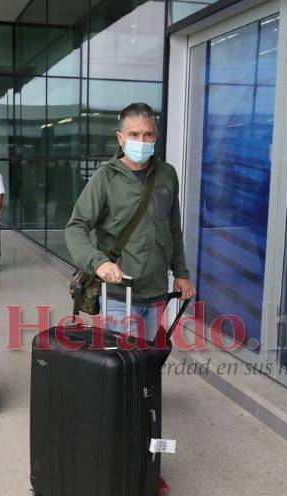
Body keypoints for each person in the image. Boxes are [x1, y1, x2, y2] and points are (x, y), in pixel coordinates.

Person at [65, 102, 195, 342]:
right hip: (118, 293)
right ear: (121, 138)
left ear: (155, 136)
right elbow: (76, 227)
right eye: (134, 134)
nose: (142, 140)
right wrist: (99, 263)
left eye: (148, 134)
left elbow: (173, 229)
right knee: (123, 366)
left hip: (157, 292)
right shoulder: (105, 177)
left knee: (144, 364)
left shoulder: (167, 174)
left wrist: (181, 273)